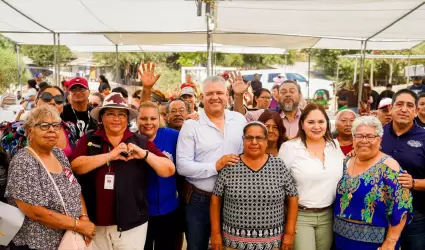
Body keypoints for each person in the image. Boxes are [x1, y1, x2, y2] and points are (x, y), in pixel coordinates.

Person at [70, 92, 175, 250]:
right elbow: (75, 166)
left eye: (121, 114)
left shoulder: (140, 141)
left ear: (127, 118)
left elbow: (168, 170)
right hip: (95, 222)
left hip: (132, 224)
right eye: (110, 114)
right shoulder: (89, 139)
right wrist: (109, 156)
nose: (116, 119)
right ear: (102, 117)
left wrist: (145, 154)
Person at [5, 106, 96, 250]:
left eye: (55, 125)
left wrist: (83, 216)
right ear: (30, 131)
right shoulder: (23, 161)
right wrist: (78, 225)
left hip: (68, 240)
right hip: (37, 245)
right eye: (44, 125)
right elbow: (35, 212)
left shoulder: (59, 154)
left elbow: (75, 189)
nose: (52, 130)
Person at [177, 75, 246, 250]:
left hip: (233, 199)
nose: (215, 97)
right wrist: (216, 165)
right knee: (197, 246)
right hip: (200, 200)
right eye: (209, 93)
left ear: (227, 95)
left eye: (219, 93)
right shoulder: (191, 125)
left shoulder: (239, 120)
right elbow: (182, 166)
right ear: (202, 98)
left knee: (230, 246)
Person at [211, 122, 298, 250]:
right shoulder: (231, 165)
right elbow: (215, 199)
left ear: (266, 141)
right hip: (234, 243)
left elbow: (293, 197)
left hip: (272, 243)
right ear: (243, 140)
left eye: (259, 138)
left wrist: (289, 233)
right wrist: (216, 233)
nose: (254, 142)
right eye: (249, 138)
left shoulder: (278, 165)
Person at [334, 116, 412, 250]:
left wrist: (390, 242)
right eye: (359, 136)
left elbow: (402, 206)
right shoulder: (346, 162)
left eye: (370, 136)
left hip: (375, 244)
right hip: (341, 240)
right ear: (353, 139)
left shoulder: (389, 166)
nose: (364, 141)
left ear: (379, 140)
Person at [278, 103, 344, 250]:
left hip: (328, 215)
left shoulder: (335, 146)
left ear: (327, 123)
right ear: (302, 124)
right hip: (300, 215)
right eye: (311, 122)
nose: (316, 126)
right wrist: (288, 223)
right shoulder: (289, 148)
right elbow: (278, 186)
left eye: (321, 122)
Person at [380, 89, 425, 250]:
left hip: (415, 215)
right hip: (378, 212)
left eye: (409, 105)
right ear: (391, 108)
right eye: (399, 104)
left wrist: (414, 182)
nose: (404, 109)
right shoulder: (377, 134)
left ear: (416, 111)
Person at [137, 101, 182, 250]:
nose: (148, 123)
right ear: (136, 119)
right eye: (143, 119)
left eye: (153, 119)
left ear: (160, 119)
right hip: (141, 212)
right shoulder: (131, 140)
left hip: (169, 208)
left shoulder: (173, 136)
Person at [2, 86, 78, 158]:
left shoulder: (70, 128)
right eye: (46, 98)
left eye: (58, 99)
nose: (52, 102)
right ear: (36, 101)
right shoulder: (15, 129)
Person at [233, 77, 302, 139]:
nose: (287, 95)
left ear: (299, 95)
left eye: (292, 92)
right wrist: (238, 96)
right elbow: (240, 118)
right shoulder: (267, 114)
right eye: (283, 92)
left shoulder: (307, 117)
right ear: (277, 97)